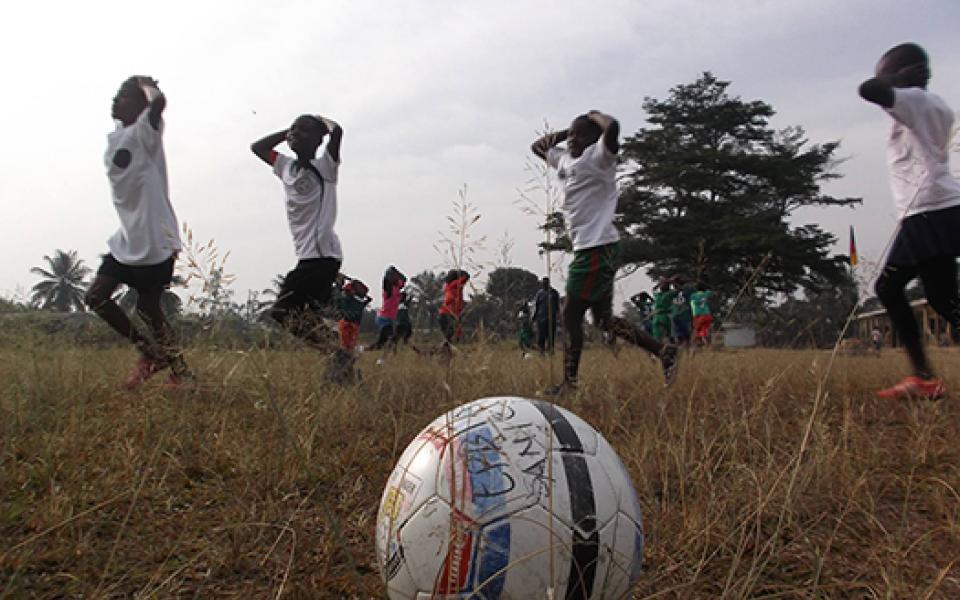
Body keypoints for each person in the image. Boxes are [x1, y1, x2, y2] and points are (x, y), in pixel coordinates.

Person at [531, 110, 678, 394]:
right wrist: (569, 131)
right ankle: (664, 352)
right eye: (572, 135)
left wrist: (593, 116)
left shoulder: (599, 158)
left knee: (570, 313)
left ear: (595, 140)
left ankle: (569, 384)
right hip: (591, 247)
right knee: (602, 321)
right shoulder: (564, 159)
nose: (574, 140)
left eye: (581, 135)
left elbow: (613, 128)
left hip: (596, 247)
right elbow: (538, 147)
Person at [859, 43, 960, 399]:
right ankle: (924, 378)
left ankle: (922, 377)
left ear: (906, 72)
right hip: (940, 208)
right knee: (944, 298)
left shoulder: (914, 101)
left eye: (885, 70)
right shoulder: (937, 107)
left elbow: (867, 90)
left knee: (888, 288)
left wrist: (890, 81)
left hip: (927, 210)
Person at [84, 75, 192, 390]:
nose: (116, 101)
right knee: (96, 297)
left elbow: (158, 103)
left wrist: (146, 84)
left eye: (124, 97)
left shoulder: (147, 132)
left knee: (148, 307)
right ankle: (149, 352)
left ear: (141, 105)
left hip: (155, 239)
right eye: (116, 96)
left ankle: (181, 373)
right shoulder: (118, 136)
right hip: (127, 239)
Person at [251, 112, 344, 353]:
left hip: (321, 256)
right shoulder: (285, 166)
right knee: (307, 317)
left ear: (318, 140)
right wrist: (288, 133)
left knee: (281, 311)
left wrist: (323, 122)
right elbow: (258, 148)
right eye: (293, 129)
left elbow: (337, 131)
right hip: (308, 256)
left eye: (304, 130)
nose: (296, 134)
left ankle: (336, 351)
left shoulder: (325, 167)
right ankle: (338, 358)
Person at [370, 266, 406, 351]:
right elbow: (386, 280)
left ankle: (362, 350)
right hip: (383, 318)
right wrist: (391, 272)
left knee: (380, 344)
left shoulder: (397, 289)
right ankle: (385, 359)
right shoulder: (388, 289)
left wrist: (397, 273)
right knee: (392, 338)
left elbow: (404, 280)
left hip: (390, 319)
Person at [337, 278, 371, 353]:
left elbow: (360, 307)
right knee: (348, 345)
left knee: (348, 345)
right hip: (349, 322)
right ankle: (345, 358)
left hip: (351, 322)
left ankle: (345, 358)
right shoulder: (349, 297)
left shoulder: (352, 298)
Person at [439, 269, 470, 343]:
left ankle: (447, 346)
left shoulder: (448, 285)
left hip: (444, 312)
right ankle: (450, 346)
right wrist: (461, 272)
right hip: (451, 312)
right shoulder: (455, 284)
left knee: (450, 333)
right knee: (453, 331)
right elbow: (466, 277)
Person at [532, 277, 561, 353]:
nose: (544, 284)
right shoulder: (539, 294)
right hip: (541, 319)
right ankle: (541, 354)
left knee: (550, 338)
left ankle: (550, 353)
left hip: (551, 319)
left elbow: (557, 307)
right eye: (543, 283)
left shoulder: (554, 293)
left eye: (546, 283)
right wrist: (533, 318)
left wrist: (559, 318)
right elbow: (537, 307)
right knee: (541, 338)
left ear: (548, 283)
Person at [671, 279, 695, 346]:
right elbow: (694, 288)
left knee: (680, 337)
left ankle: (683, 350)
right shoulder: (687, 291)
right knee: (689, 336)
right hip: (685, 316)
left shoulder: (672, 293)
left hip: (675, 316)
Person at [690, 284, 714, 348]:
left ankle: (693, 345)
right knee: (705, 330)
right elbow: (710, 291)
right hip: (707, 314)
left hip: (698, 315)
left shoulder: (693, 295)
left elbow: (692, 304)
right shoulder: (706, 294)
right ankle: (707, 344)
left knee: (696, 331)